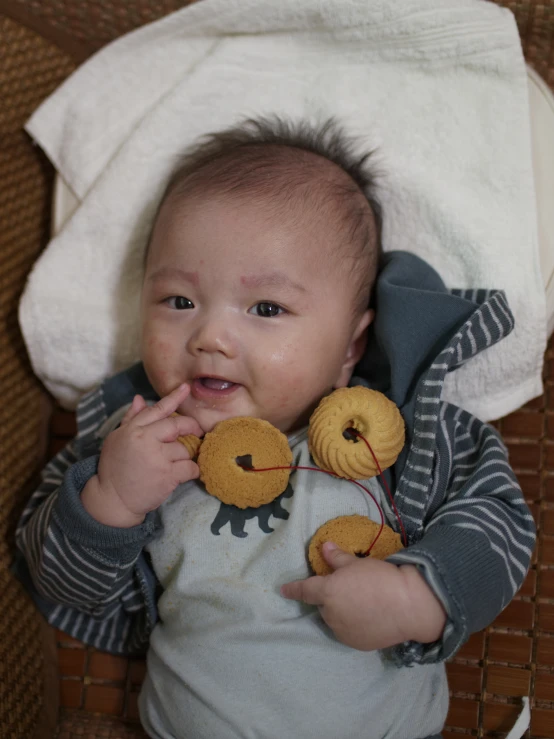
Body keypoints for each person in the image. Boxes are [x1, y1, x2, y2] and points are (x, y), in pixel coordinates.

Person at [14, 116, 535, 739]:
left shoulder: (407, 436)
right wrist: (110, 502)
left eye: (266, 308)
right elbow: (57, 579)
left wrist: (417, 598)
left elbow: (501, 524)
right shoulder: (134, 440)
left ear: (350, 345)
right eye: (179, 301)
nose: (208, 336)